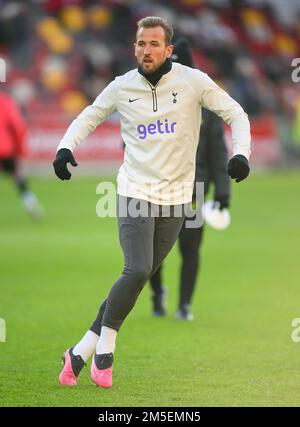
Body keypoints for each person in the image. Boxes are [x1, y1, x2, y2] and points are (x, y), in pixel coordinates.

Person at [53, 16, 251, 389]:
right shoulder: (121, 87)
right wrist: (65, 147)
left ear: (168, 50)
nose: (146, 50)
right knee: (138, 270)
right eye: (141, 44)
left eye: (154, 44)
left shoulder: (193, 82)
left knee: (136, 277)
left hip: (179, 198)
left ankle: (79, 351)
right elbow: (89, 116)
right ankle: (106, 350)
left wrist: (240, 154)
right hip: (134, 192)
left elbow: (236, 113)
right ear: (135, 48)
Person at [149, 38, 231, 321]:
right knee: (153, 250)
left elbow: (219, 154)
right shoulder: (155, 103)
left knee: (189, 246)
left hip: (194, 189)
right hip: (160, 186)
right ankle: (158, 294)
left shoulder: (206, 108)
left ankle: (183, 304)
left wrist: (223, 192)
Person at [0, 90, 43, 220]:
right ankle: (32, 205)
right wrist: (20, 152)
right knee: (17, 176)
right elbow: (18, 127)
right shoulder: (6, 102)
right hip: (4, 147)